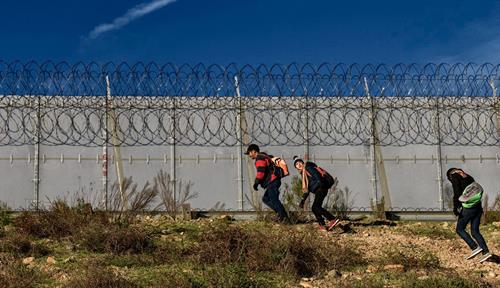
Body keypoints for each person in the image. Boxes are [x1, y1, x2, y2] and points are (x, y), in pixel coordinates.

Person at [447, 168, 492, 263]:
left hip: (468, 209)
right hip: (478, 207)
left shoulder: (454, 176)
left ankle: (474, 247)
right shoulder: (467, 176)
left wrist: (456, 208)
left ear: (450, 176)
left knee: (460, 229)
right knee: (475, 231)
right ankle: (486, 252)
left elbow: (457, 193)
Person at [245, 144, 290, 223]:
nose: (249, 155)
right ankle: (281, 214)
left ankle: (284, 217)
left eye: (249, 153)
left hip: (272, 181)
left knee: (274, 199)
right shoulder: (264, 156)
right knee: (266, 199)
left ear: (253, 151)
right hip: (273, 181)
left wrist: (256, 183)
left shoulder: (259, 158)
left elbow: (261, 172)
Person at [293, 156, 340, 231]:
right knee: (314, 208)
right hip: (319, 189)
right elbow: (307, 189)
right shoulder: (303, 173)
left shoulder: (308, 167)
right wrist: (303, 200)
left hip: (320, 188)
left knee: (316, 207)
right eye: (296, 164)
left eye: (299, 162)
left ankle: (332, 219)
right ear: (296, 167)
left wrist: (320, 185)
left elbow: (317, 175)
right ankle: (322, 225)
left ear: (302, 163)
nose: (298, 164)